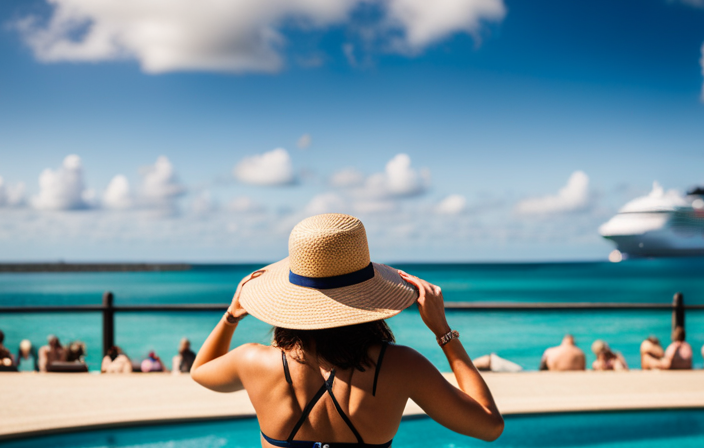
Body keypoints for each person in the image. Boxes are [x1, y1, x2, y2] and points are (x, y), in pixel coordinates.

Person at [191, 213, 504, 447]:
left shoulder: (253, 363)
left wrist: (231, 316)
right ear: (369, 295)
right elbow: (489, 426)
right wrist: (444, 333)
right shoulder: (401, 366)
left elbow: (200, 370)